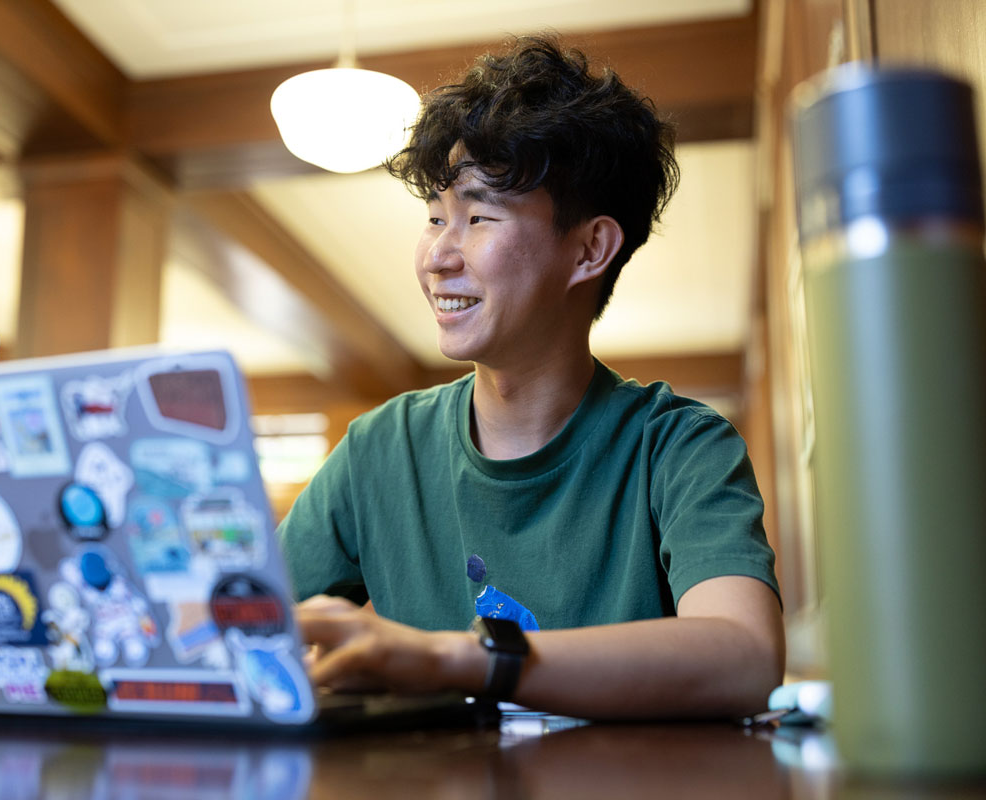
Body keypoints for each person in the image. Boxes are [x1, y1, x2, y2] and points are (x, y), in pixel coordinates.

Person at [277, 34, 784, 719]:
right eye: (434, 218)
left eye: (479, 216)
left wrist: (451, 660)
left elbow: (745, 656)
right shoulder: (379, 449)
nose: (437, 257)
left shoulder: (680, 447)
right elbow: (237, 629)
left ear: (589, 248)